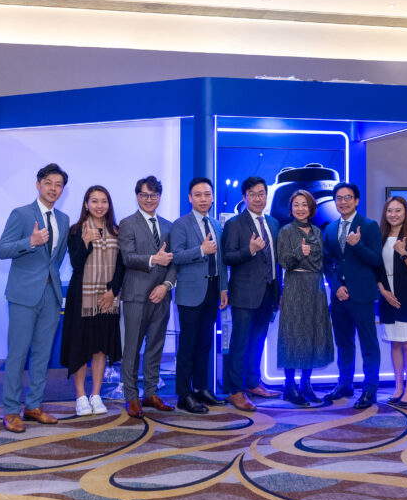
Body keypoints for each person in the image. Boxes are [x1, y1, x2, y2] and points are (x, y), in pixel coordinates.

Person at [0, 163, 70, 433]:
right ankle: (11, 410)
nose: (53, 189)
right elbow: (2, 250)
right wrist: (30, 241)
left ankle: (34, 405)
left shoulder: (63, 219)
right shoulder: (22, 214)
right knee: (18, 354)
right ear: (38, 184)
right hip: (24, 295)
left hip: (51, 295)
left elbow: (56, 259)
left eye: (59, 185)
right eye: (48, 183)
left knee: (42, 354)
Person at [61, 185, 125, 417]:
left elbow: (122, 266)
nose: (100, 205)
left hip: (108, 298)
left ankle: (96, 394)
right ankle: (80, 396)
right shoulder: (75, 231)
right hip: (82, 297)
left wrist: (112, 292)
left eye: (104, 201)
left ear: (109, 204)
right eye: (94, 201)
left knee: (100, 348)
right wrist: (86, 243)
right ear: (86, 204)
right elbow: (76, 265)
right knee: (80, 347)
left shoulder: (117, 231)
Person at [117, 175, 178, 419]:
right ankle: (131, 397)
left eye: (153, 195)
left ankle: (151, 393)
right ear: (137, 196)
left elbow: (174, 262)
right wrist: (154, 259)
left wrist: (166, 285)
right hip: (136, 296)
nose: (149, 199)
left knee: (155, 347)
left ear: (159, 197)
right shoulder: (127, 223)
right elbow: (128, 257)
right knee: (132, 349)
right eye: (144, 195)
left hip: (161, 296)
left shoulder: (169, 226)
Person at [222, 176, 283, 411]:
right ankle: (236, 391)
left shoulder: (273, 223)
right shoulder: (235, 224)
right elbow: (228, 257)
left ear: (266, 196)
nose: (258, 199)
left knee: (258, 341)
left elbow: (276, 261)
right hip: (244, 294)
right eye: (253, 195)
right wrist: (249, 250)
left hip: (269, 292)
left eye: (261, 194)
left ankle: (253, 383)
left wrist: (279, 290)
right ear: (244, 197)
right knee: (240, 342)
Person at [322, 182, 384, 409]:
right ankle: (345, 384)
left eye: (348, 197)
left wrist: (357, 245)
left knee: (369, 345)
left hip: (362, 295)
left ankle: (370, 389)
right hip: (339, 297)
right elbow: (326, 263)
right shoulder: (330, 229)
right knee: (344, 343)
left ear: (356, 201)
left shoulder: (369, 226)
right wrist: (335, 285)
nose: (343, 202)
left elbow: (376, 260)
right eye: (339, 198)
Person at [169, 177, 228, 414]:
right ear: (190, 198)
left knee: (205, 343)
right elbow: (176, 256)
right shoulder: (180, 224)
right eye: (198, 195)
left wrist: (223, 287)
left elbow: (221, 260)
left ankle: (201, 388)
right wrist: (201, 250)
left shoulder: (216, 224)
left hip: (213, 290)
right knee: (188, 345)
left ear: (212, 197)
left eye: (207, 194)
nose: (203, 199)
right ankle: (184, 395)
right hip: (190, 293)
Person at [276, 190, 334, 405]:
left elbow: (320, 262)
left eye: (304, 204)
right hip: (295, 285)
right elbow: (284, 261)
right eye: (296, 205)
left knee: (312, 333)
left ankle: (305, 384)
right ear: (291, 208)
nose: (300, 208)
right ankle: (289, 386)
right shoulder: (285, 231)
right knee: (292, 334)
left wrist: (306, 258)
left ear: (311, 208)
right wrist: (300, 253)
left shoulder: (318, 231)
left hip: (315, 287)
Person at [375, 196, 407, 408]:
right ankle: (398, 387)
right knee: (395, 343)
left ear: (405, 213)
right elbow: (375, 268)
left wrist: (403, 252)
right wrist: (383, 292)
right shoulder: (379, 236)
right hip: (387, 297)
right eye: (390, 210)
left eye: (398, 210)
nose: (393, 214)